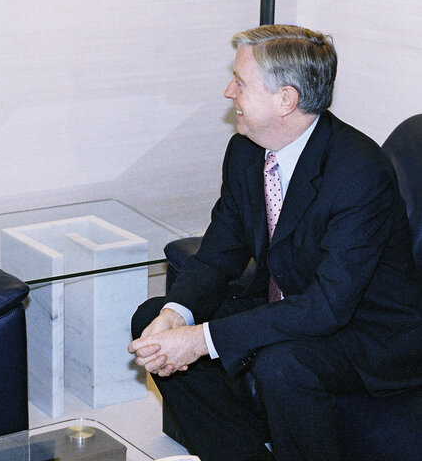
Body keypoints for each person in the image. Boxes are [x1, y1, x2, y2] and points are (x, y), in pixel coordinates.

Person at [128, 25, 422, 461]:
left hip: (367, 328)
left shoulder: (358, 172)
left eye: (241, 82)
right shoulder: (246, 152)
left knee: (284, 364)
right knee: (152, 318)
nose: (229, 91)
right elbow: (217, 254)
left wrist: (201, 339)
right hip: (293, 302)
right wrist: (177, 315)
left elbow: (327, 307)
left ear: (286, 99)